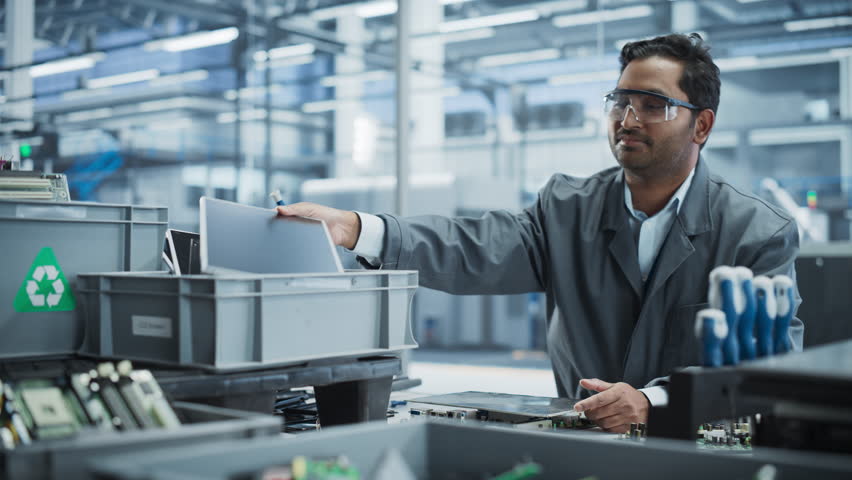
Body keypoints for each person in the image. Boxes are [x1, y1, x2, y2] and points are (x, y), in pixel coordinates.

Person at [277, 33, 803, 433]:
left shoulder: (756, 232)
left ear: (702, 126)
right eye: (619, 101)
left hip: (694, 451)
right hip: (578, 443)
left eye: (652, 105)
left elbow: (772, 365)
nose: (627, 118)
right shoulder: (566, 207)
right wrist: (354, 228)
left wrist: (653, 401)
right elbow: (474, 246)